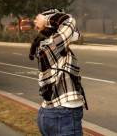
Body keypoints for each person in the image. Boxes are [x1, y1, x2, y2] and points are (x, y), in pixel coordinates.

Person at [29, 8, 87, 136]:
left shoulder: (45, 44)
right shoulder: (52, 44)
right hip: (63, 115)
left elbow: (75, 33)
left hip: (51, 114)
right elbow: (69, 21)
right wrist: (45, 20)